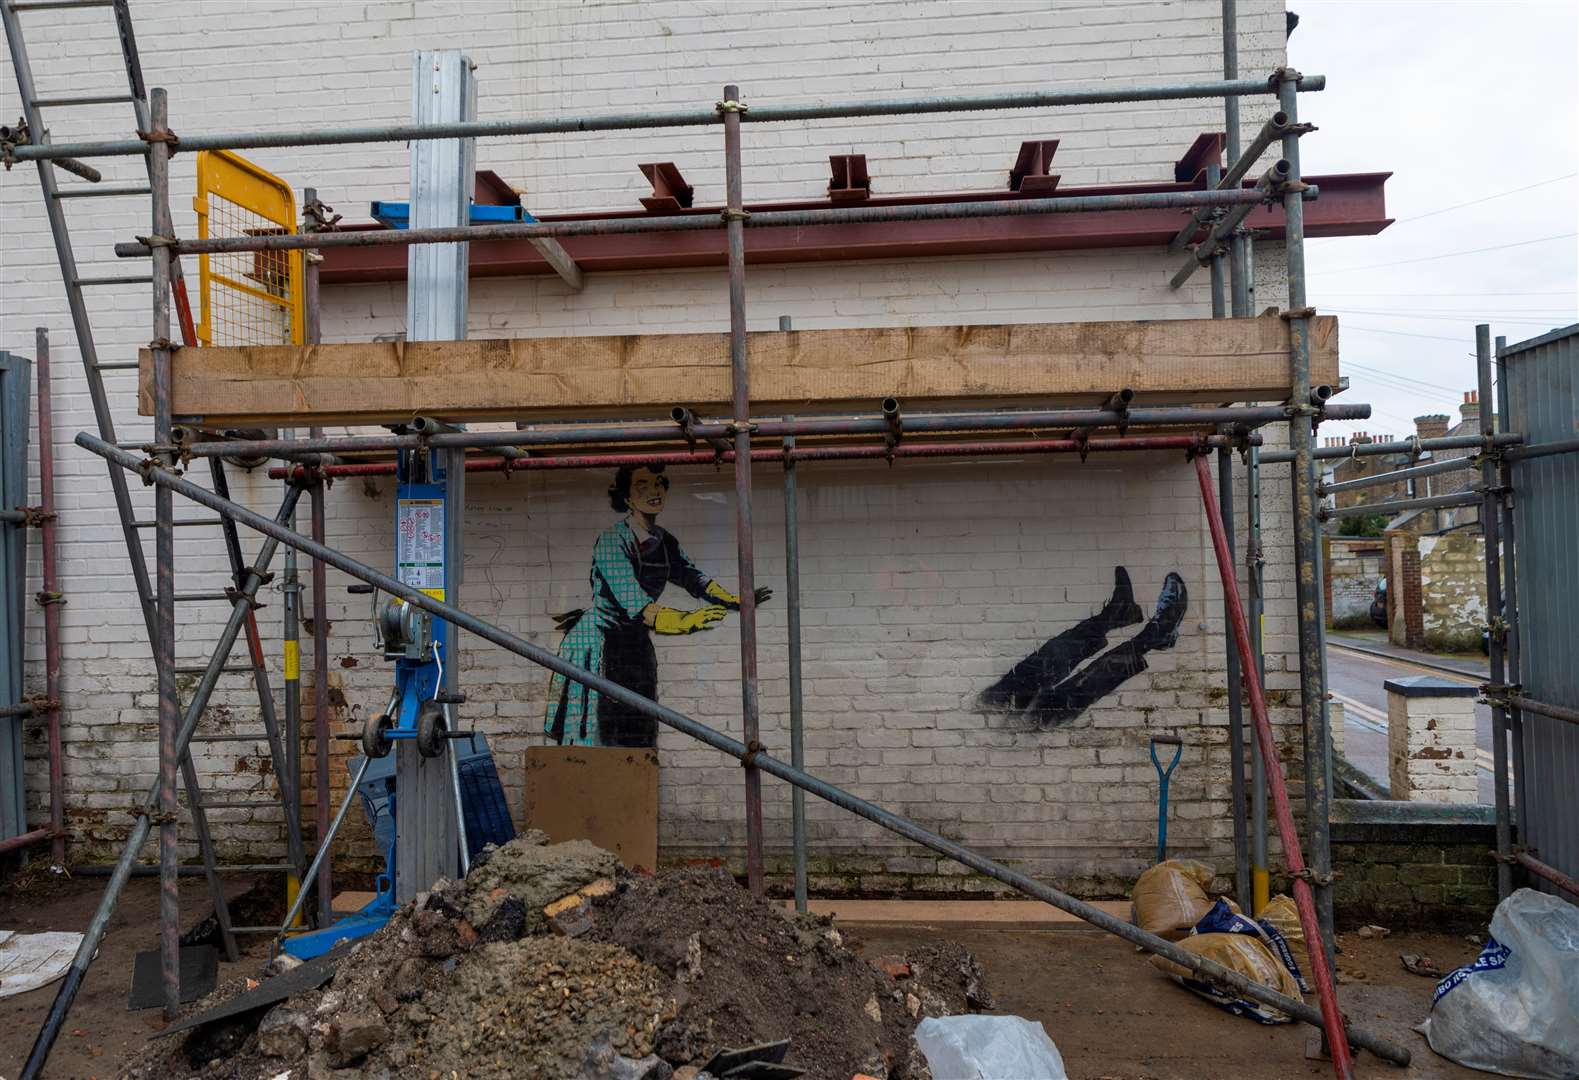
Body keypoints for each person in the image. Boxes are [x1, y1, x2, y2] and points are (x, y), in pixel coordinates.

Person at [545, 464, 770, 747]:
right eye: (643, 484)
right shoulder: (612, 542)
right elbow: (637, 604)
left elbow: (694, 578)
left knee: (639, 728)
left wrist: (737, 600)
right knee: (597, 735)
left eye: (659, 483)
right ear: (626, 497)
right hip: (599, 644)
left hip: (636, 645)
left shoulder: (665, 542)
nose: (654, 491)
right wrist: (687, 621)